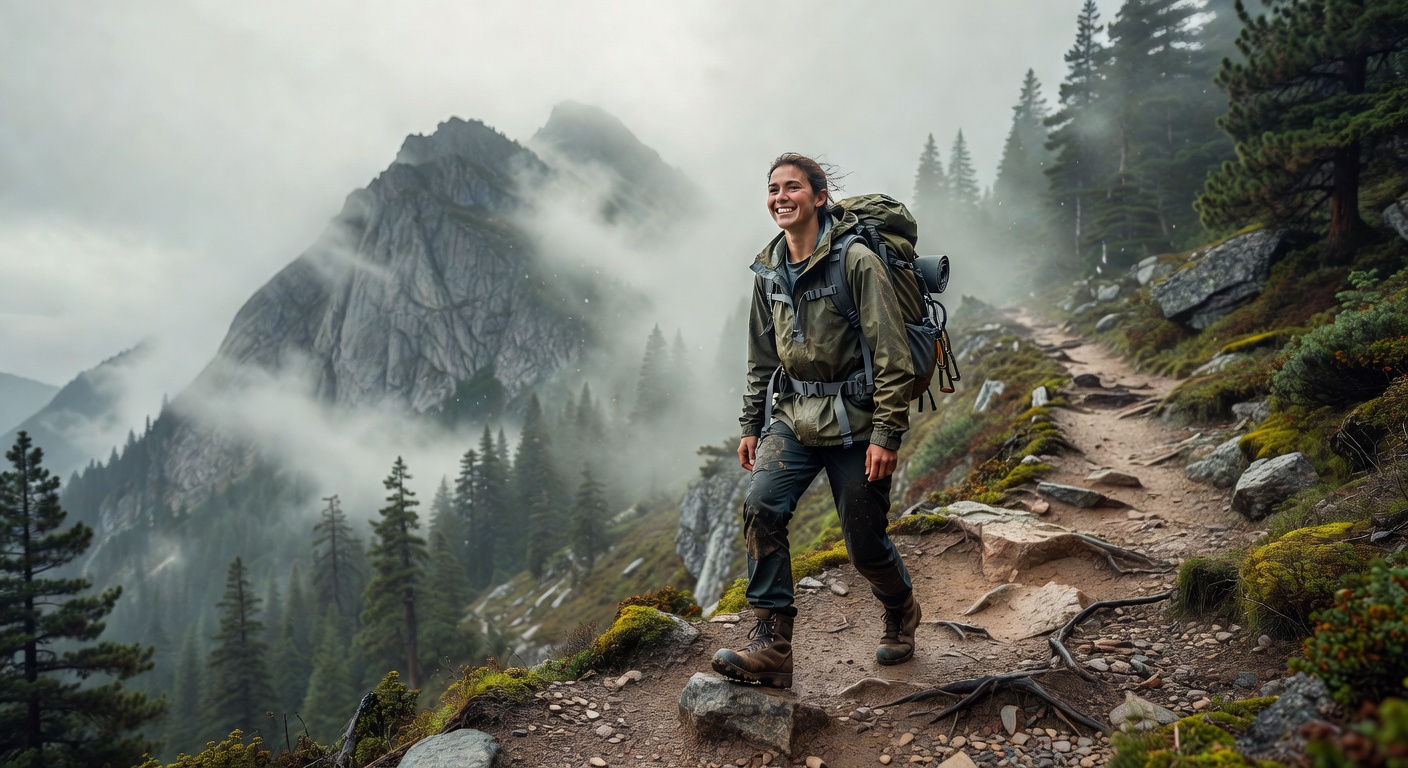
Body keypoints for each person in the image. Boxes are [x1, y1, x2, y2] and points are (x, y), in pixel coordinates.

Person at [711, 153, 920, 689]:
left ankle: (899, 608)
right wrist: (751, 424)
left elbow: (893, 355)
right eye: (773, 188)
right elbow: (761, 357)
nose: (780, 197)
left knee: (864, 541)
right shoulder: (768, 270)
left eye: (793, 188)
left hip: (857, 420)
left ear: (819, 197)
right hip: (793, 415)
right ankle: (772, 643)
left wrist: (886, 434)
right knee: (762, 507)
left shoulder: (856, 262)